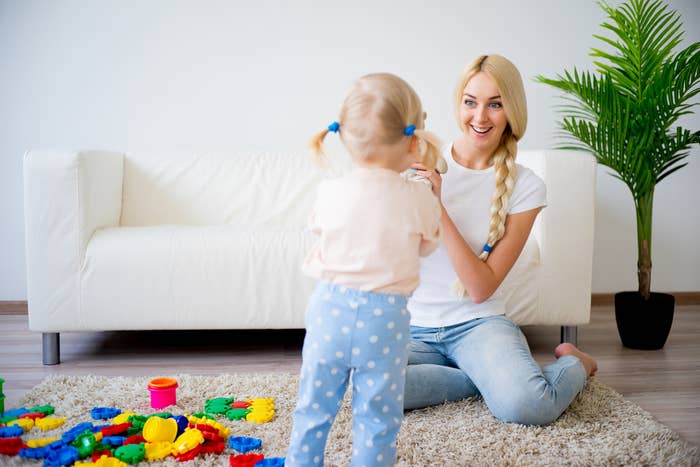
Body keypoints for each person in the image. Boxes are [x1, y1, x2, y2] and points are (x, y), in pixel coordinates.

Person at [403, 54, 598, 426]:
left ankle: (577, 362)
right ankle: (486, 380)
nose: (480, 117)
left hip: (479, 325)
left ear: (512, 111)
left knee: (528, 406)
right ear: (458, 103)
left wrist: (437, 208)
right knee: (362, 385)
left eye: (495, 104)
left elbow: (480, 288)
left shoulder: (526, 187)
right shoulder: (422, 161)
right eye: (470, 102)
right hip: (415, 327)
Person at [286, 73, 443, 466]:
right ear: (413, 140)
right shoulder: (417, 198)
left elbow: (320, 229)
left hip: (329, 311)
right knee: (377, 416)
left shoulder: (330, 190)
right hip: (385, 319)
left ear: (343, 137)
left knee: (313, 408)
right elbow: (428, 244)